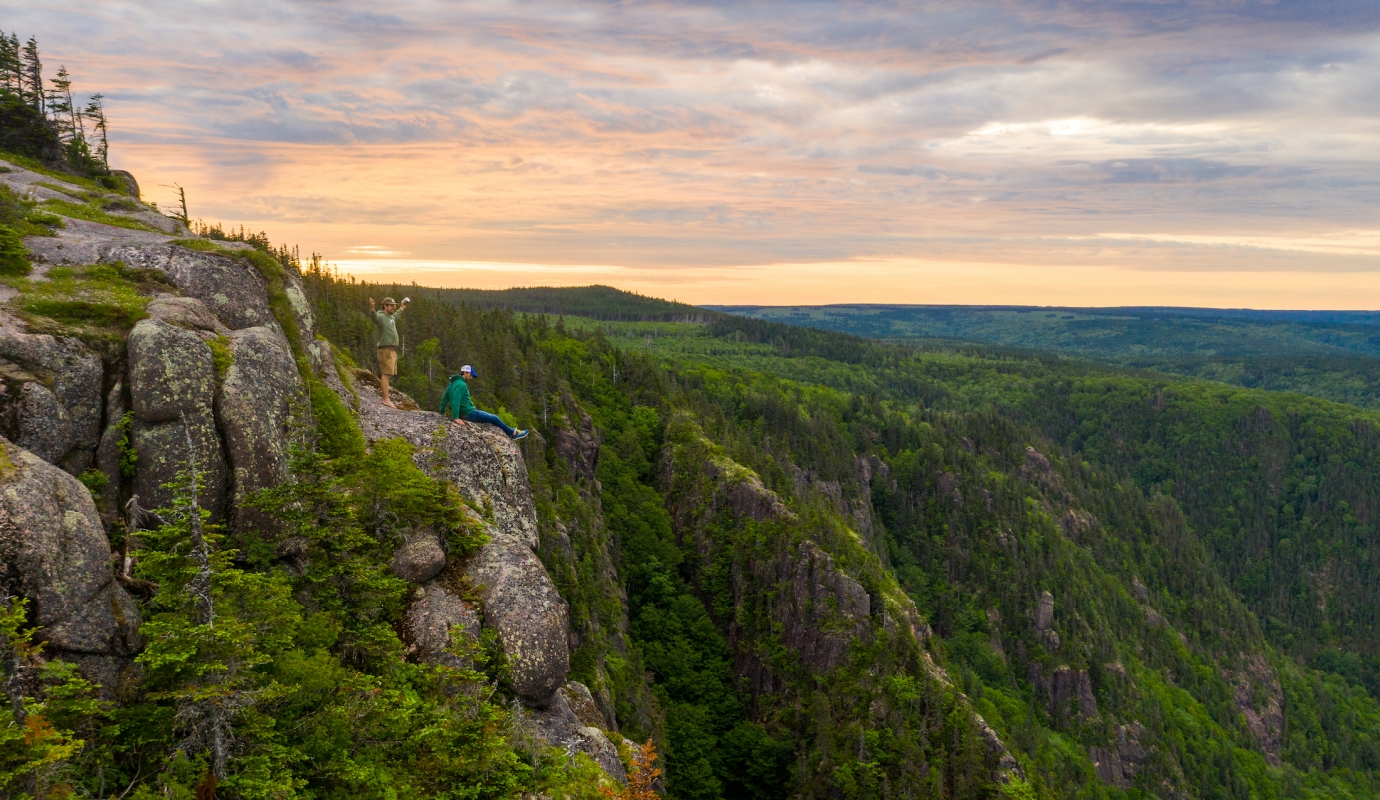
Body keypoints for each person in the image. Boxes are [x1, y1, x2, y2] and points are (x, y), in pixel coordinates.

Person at [439, 365, 529, 440]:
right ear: (465, 373)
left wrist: (441, 412)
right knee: (495, 419)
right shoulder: (462, 385)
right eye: (471, 375)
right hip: (469, 413)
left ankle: (512, 431)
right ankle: (513, 433)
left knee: (492, 419)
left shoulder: (453, 383)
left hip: (466, 413)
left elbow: (444, 398)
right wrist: (456, 417)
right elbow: (455, 401)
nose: (471, 377)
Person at [369, 295, 409, 407]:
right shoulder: (381, 317)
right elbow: (374, 318)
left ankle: (386, 398)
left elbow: (396, 315)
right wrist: (372, 309)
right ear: (385, 306)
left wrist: (402, 307)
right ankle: (386, 399)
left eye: (394, 306)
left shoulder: (391, 317)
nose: (393, 308)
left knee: (389, 374)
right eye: (391, 306)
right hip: (385, 350)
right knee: (386, 374)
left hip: (391, 350)